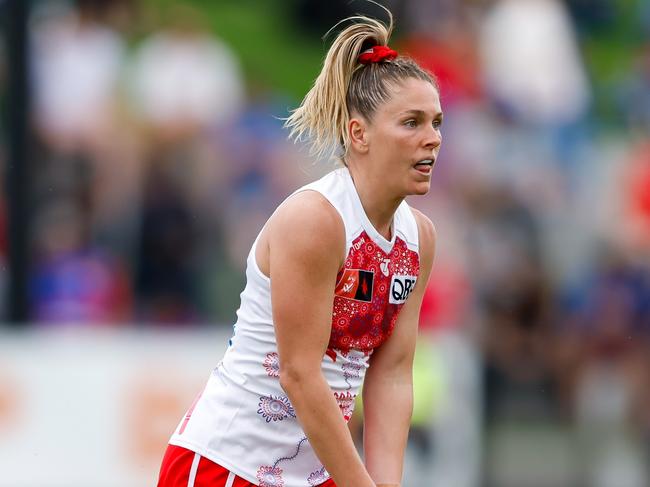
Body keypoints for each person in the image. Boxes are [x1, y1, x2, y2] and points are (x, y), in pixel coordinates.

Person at [157, 10, 442, 487]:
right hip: (228, 467)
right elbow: (300, 374)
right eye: (411, 123)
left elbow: (392, 372)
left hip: (316, 473)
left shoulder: (420, 239)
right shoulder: (316, 220)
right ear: (358, 134)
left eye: (436, 122)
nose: (432, 138)